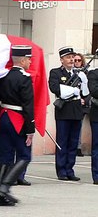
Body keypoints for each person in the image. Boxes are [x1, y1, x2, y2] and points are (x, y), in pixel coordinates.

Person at [0, 45, 35, 206]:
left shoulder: (5, 75)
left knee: (5, 156)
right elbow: (28, 106)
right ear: (23, 60)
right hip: (17, 119)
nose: (31, 62)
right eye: (29, 59)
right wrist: (30, 129)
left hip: (4, 116)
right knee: (25, 156)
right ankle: (4, 188)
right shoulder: (24, 78)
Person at [48, 46, 88, 181]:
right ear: (61, 60)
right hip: (64, 110)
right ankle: (61, 170)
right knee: (62, 141)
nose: (71, 60)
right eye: (68, 57)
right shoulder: (56, 73)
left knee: (73, 142)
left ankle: (70, 169)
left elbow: (86, 93)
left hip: (76, 110)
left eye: (72, 57)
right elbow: (55, 88)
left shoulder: (78, 73)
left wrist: (84, 81)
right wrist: (72, 91)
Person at [73, 53, 90, 157]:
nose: (77, 62)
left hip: (82, 104)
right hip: (72, 103)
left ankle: (78, 147)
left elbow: (89, 89)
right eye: (75, 60)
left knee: (78, 126)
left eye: (79, 60)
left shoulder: (86, 73)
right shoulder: (71, 73)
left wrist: (84, 100)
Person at [87, 67, 98, 185]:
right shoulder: (94, 74)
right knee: (97, 147)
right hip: (97, 116)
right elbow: (94, 91)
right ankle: (97, 175)